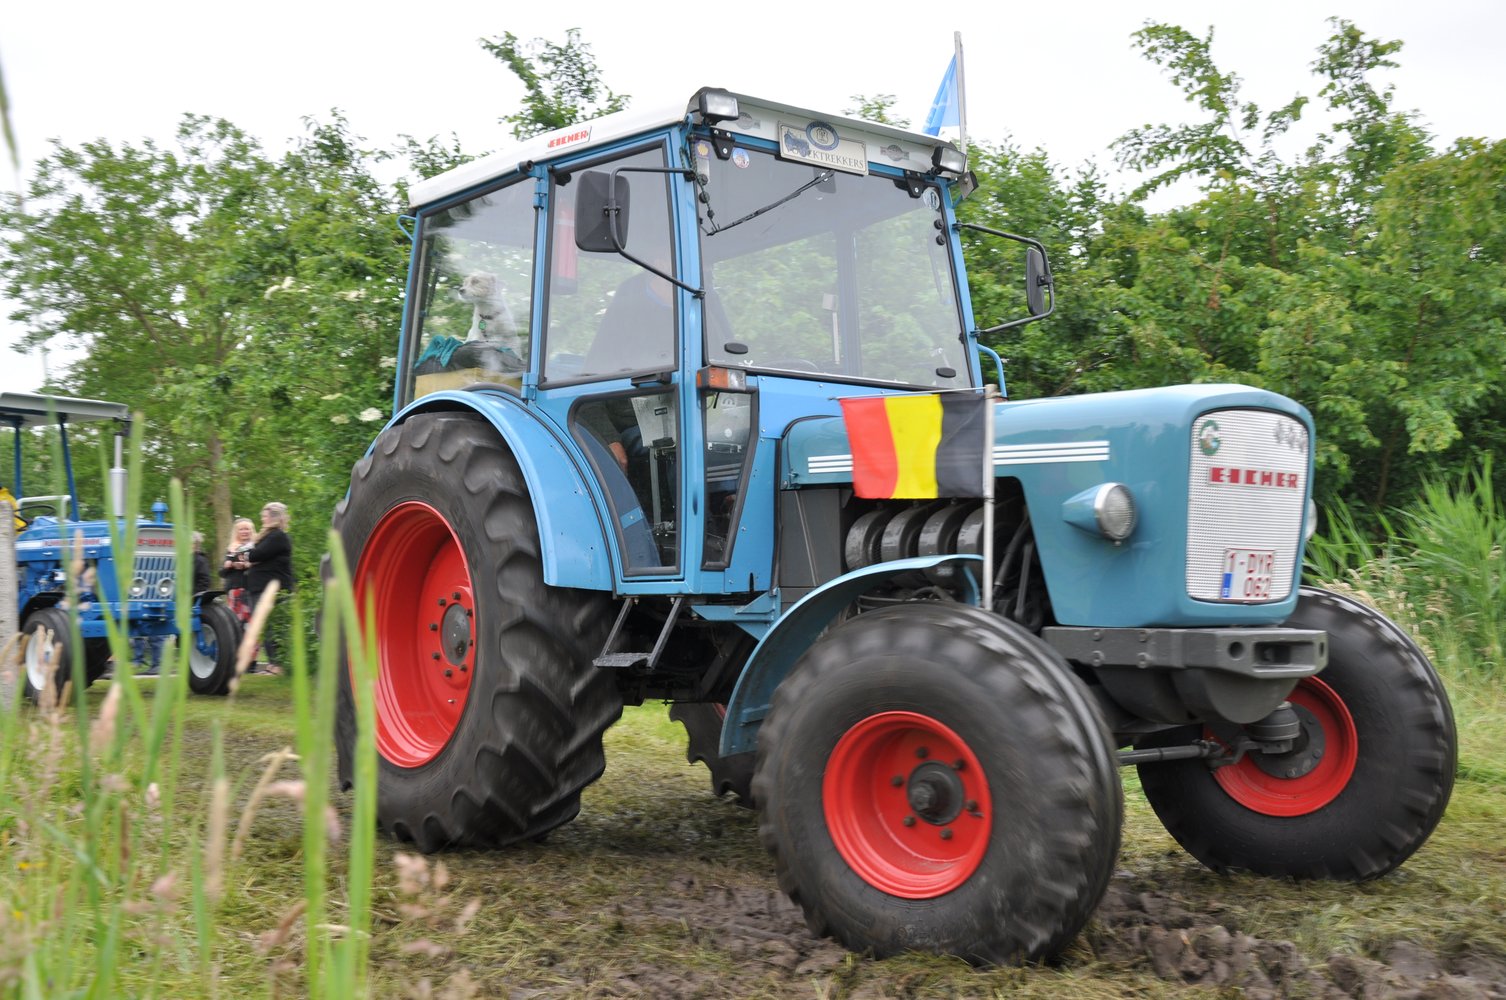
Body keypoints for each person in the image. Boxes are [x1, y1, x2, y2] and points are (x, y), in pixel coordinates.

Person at [237, 502, 294, 671]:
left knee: (271, 625)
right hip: (260, 587)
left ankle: (277, 664)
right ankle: (273, 663)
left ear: (273, 517)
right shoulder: (269, 536)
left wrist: (246, 556)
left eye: (265, 516)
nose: (262, 519)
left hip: (270, 588)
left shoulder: (277, 536)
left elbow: (256, 554)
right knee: (265, 625)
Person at [220, 517, 256, 624]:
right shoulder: (231, 549)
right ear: (236, 532)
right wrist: (230, 565)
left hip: (251, 589)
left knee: (251, 621)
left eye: (247, 529)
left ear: (251, 531)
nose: (244, 532)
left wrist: (247, 565)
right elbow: (222, 573)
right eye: (241, 529)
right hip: (234, 590)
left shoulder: (256, 548)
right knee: (235, 623)